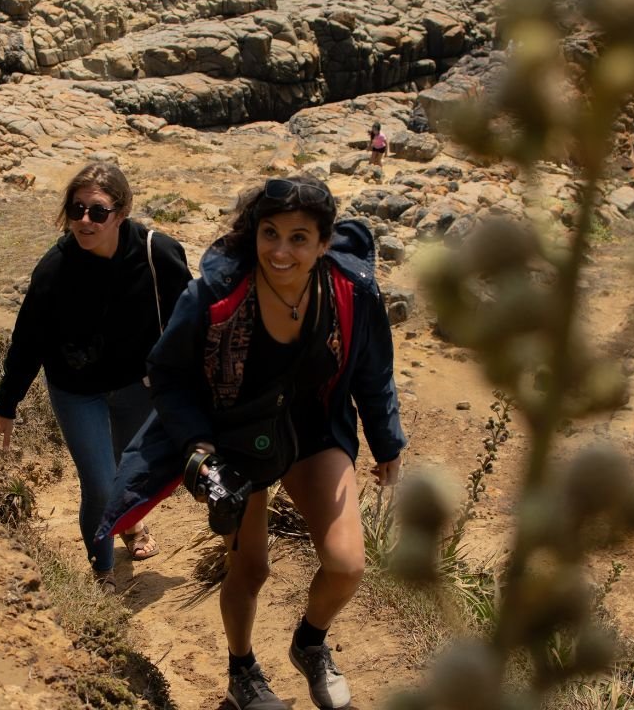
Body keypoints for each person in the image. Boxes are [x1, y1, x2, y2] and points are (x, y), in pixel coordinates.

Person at [100, 175, 406, 709]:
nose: (281, 251)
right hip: (237, 438)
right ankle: (242, 672)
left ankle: (310, 643)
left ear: (324, 242)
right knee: (251, 567)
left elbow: (373, 372)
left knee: (346, 564)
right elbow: (167, 373)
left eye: (298, 238)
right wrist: (199, 449)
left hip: (315, 430)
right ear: (254, 232)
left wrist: (387, 444)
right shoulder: (218, 293)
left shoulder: (351, 291)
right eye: (270, 234)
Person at [0, 161, 192, 594]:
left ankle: (130, 525)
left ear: (121, 213)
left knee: (127, 471)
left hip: (137, 385)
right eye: (77, 209)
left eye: (98, 211)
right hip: (76, 390)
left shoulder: (157, 254)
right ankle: (102, 570)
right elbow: (27, 341)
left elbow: (190, 320)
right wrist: (4, 407)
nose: (85, 220)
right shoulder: (54, 269)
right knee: (100, 482)